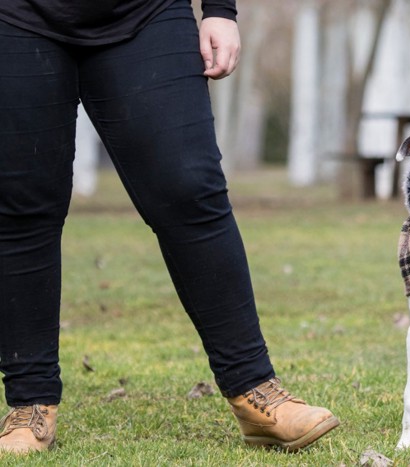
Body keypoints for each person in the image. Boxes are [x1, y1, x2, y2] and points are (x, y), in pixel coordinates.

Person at [0, 0, 339, 455]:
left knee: (188, 189)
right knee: (21, 205)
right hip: (15, 18)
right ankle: (30, 404)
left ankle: (254, 390)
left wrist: (220, 9)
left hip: (147, 13)